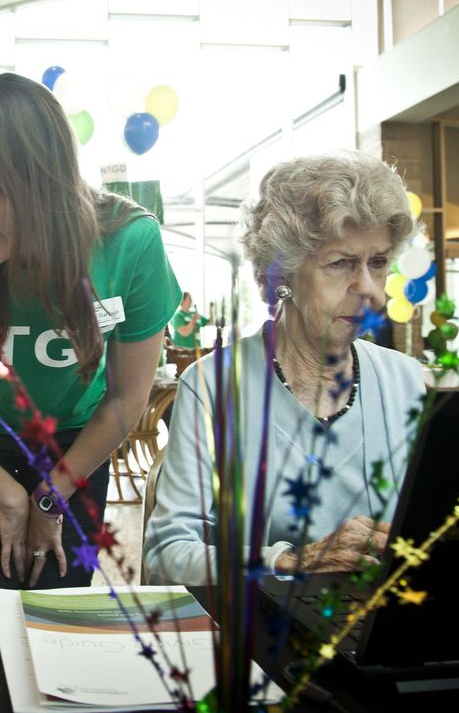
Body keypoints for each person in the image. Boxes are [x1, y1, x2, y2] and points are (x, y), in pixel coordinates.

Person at [0, 73, 181, 591]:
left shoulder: (131, 243)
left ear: (39, 176)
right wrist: (12, 496)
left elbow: (126, 396)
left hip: (77, 442)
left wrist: (52, 493)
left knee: (61, 608)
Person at [144, 151, 427, 584]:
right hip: (263, 633)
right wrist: (290, 561)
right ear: (283, 276)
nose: (368, 288)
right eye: (341, 263)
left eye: (378, 262)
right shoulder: (214, 387)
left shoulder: (409, 381)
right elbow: (167, 552)